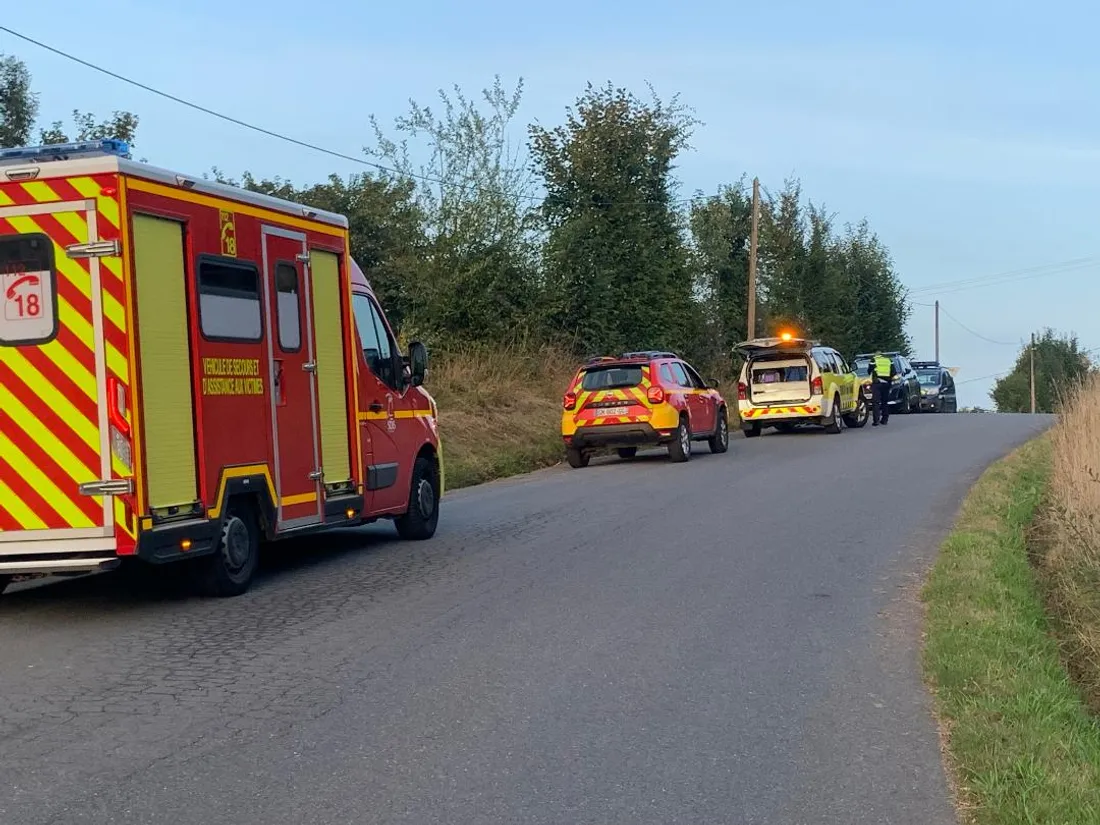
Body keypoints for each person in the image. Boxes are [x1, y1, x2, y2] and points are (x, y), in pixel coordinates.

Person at [869, 351, 896, 426]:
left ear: (876, 355)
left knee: (876, 402)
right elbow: (894, 372)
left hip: (877, 383)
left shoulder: (874, 360)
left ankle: (876, 421)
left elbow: (869, 370)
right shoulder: (889, 360)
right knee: (885, 402)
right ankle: (885, 420)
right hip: (887, 383)